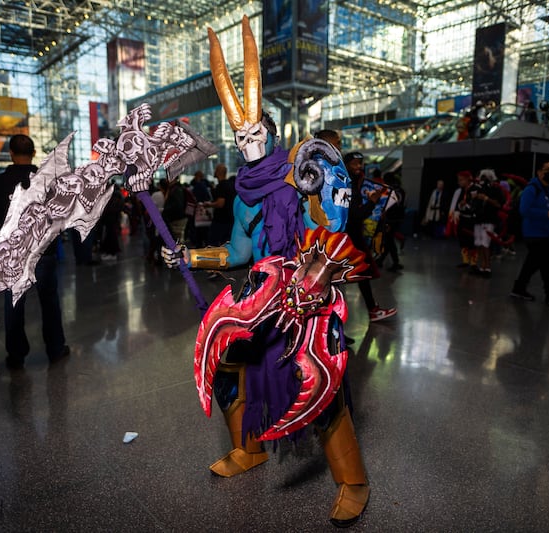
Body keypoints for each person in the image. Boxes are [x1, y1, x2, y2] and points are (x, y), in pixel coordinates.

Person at [163, 17, 370, 526]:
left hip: (307, 298)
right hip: (261, 299)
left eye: (255, 131)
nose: (248, 141)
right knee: (233, 376)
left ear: (272, 133)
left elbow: (332, 229)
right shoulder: (242, 194)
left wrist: (319, 217)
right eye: (239, 134)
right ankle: (248, 449)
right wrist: (190, 257)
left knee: (320, 387)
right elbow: (237, 252)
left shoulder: (299, 176)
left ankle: (354, 480)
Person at [0, 134, 69, 369]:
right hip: (43, 252)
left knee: (13, 305)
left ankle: (16, 355)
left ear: (11, 153)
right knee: (50, 302)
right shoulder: (48, 181)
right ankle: (55, 349)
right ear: (34, 154)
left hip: (13, 255)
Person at [344, 152, 397, 321]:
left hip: (352, 236)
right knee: (349, 277)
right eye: (355, 164)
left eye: (360, 163)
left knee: (362, 274)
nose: (359, 167)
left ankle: (372, 310)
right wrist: (373, 202)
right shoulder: (348, 184)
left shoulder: (354, 183)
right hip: (348, 238)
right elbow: (356, 214)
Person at [510, 160, 549, 308]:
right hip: (534, 234)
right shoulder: (531, 189)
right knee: (547, 265)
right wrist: (546, 214)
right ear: (539, 172)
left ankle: (518, 289)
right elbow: (524, 210)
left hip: (547, 234)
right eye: (548, 169)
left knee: (532, 263)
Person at [471, 170, 505, 277]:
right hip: (478, 219)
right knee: (478, 243)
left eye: (486, 178)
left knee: (486, 243)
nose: (484, 180)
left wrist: (487, 199)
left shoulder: (496, 189)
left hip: (489, 219)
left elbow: (499, 204)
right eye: (482, 177)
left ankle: (487, 266)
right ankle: (482, 265)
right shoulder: (478, 189)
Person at [205, 163, 235, 246]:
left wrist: (209, 204)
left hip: (220, 221)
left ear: (218, 172)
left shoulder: (221, 186)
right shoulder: (230, 184)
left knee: (212, 244)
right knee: (225, 245)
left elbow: (220, 204)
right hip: (230, 220)